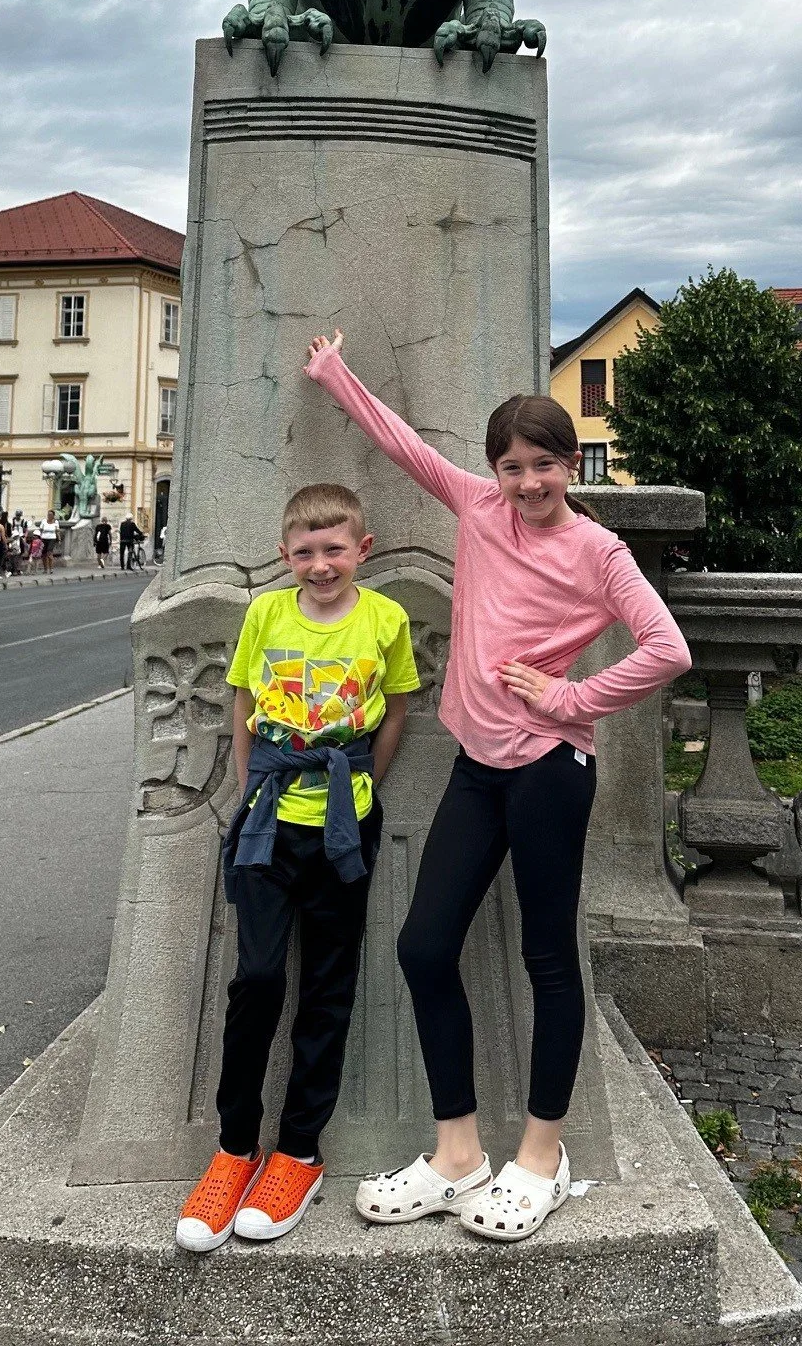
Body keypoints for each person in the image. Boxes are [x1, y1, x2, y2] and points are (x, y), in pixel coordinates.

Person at [303, 331, 689, 1243]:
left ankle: (543, 1159)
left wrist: (570, 698)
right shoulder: (477, 507)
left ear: (570, 464)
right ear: (495, 471)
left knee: (548, 959)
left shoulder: (599, 551)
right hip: (478, 769)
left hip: (552, 771)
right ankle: (458, 1155)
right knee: (424, 947)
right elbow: (406, 447)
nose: (527, 482)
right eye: (512, 467)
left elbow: (667, 649)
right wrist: (334, 375)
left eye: (543, 465)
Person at [175, 482, 418, 1253]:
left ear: (361, 550)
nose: (320, 565)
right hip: (269, 824)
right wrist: (252, 788)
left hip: (343, 826)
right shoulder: (266, 615)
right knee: (256, 979)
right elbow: (242, 706)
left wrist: (363, 787)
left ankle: (300, 1153)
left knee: (327, 987)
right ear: (285, 554)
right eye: (305, 552)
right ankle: (235, 1147)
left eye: (334, 549)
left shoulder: (386, 620)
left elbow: (397, 712)